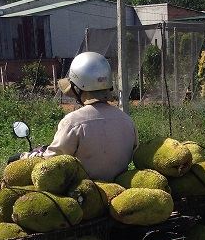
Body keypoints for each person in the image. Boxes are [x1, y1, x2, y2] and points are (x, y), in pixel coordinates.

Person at [19, 51, 138, 182]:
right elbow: (134, 155)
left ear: (77, 88)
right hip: (119, 191)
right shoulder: (127, 121)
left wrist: (27, 157)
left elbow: (50, 162)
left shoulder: (73, 122)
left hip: (85, 195)